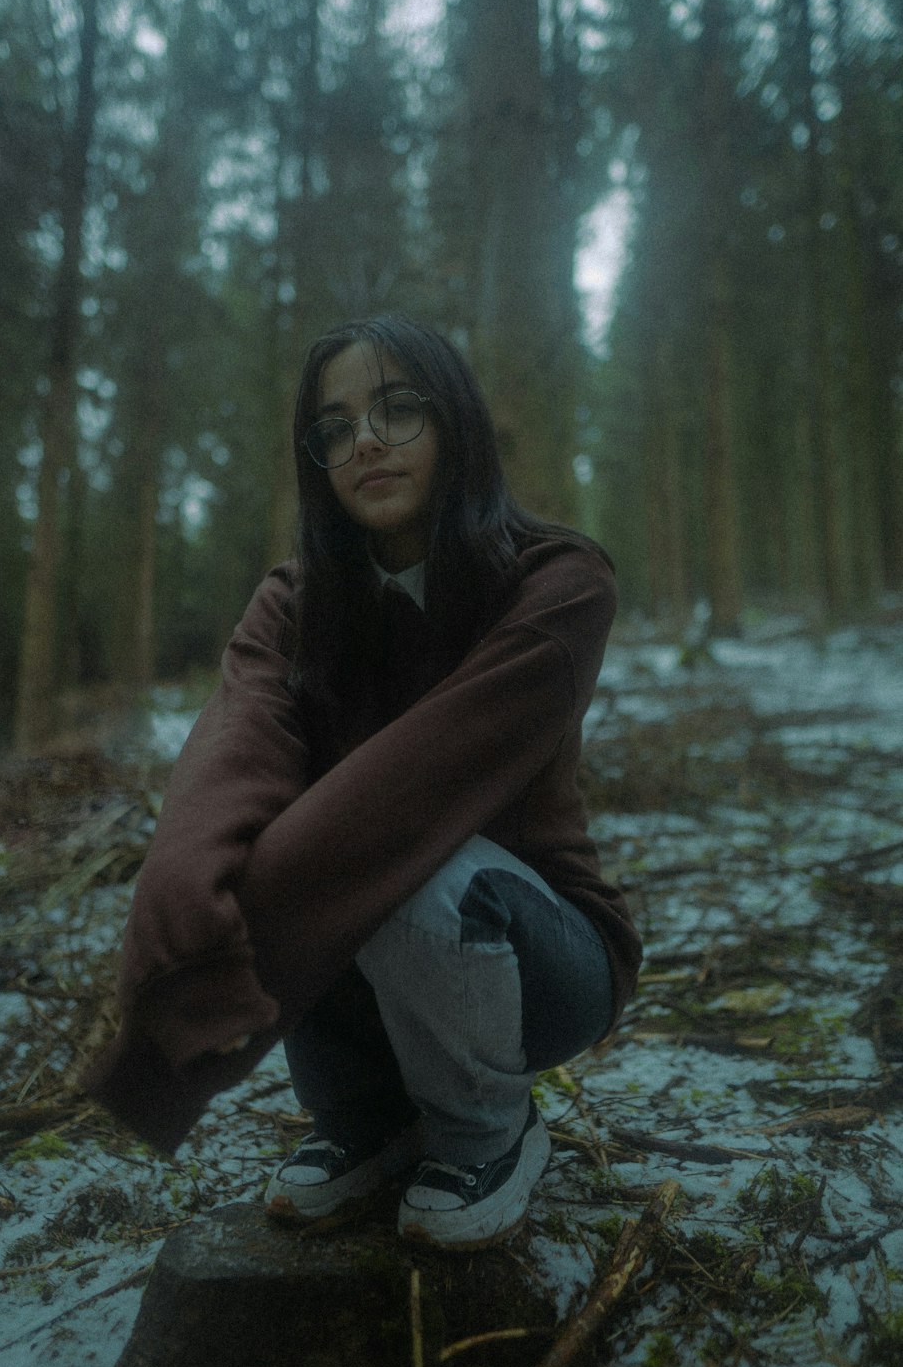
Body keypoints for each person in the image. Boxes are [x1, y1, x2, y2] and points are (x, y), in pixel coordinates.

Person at [87, 314, 642, 1250]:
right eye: (335, 428)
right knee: (266, 832)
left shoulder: (557, 581)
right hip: (364, 953)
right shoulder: (294, 604)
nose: (367, 442)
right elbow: (231, 753)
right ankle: (366, 1115)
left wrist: (247, 917)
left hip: (547, 967)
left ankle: (486, 1131)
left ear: (456, 422)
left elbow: (423, 780)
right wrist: (181, 932)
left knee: (392, 847)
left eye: (397, 409)